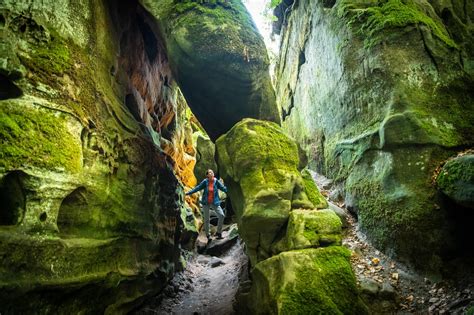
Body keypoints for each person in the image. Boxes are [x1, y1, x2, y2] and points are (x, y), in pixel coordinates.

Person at [186, 169, 227, 241]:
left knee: (221, 215)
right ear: (207, 175)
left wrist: (230, 190)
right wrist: (189, 193)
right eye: (210, 172)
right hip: (206, 203)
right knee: (207, 219)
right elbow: (198, 188)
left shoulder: (216, 181)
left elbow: (223, 188)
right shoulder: (205, 182)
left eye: (212, 172)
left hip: (215, 202)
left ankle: (218, 233)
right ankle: (208, 235)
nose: (212, 173)